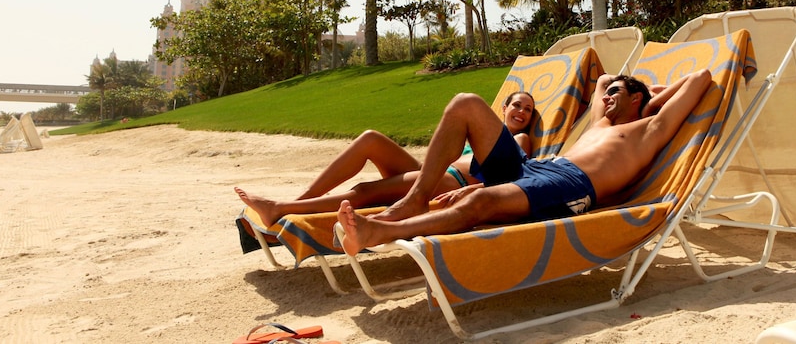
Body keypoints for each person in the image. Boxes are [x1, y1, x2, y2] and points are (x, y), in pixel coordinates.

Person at [337, 70, 712, 256]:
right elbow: (602, 79)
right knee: (465, 103)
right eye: (609, 95)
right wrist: (620, 88)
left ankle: (378, 233)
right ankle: (416, 199)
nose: (608, 96)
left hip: (573, 184)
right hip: (538, 168)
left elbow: (701, 77)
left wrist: (652, 98)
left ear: (637, 100)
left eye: (618, 94)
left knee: (479, 205)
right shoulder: (602, 121)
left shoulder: (650, 128)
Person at [235, 91, 535, 224]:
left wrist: (474, 188)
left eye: (528, 110)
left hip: (450, 183)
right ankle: (304, 199)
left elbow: (518, 178)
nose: (522, 112)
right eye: (517, 105)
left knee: (367, 192)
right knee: (370, 139)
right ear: (504, 107)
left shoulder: (518, 140)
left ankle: (282, 209)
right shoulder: (479, 130)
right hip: (431, 174)